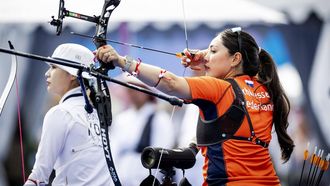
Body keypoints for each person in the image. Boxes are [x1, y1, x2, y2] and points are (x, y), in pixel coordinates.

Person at [96, 27, 295, 185]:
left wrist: (123, 62)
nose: (205, 55)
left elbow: (171, 83)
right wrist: (208, 59)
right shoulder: (264, 89)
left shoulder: (220, 88)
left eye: (213, 51)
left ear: (235, 59)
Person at [24, 43, 112, 186]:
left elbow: (39, 177)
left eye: (53, 67)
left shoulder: (60, 113)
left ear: (72, 74)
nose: (47, 73)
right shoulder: (96, 113)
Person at [110, 74, 175, 185]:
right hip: (121, 176)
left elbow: (162, 153)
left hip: (144, 177)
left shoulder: (159, 118)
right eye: (129, 89)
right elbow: (113, 151)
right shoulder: (121, 119)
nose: (132, 93)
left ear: (147, 92)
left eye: (137, 89)